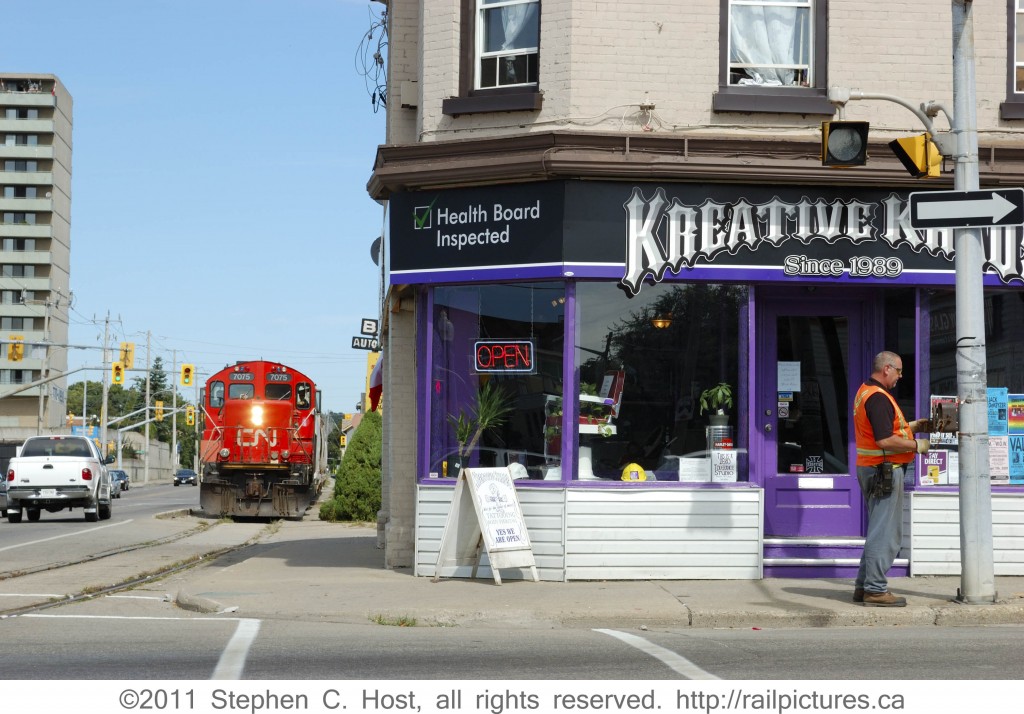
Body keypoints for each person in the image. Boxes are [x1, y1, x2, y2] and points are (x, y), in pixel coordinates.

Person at [852, 351, 931, 607]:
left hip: (873, 468)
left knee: (878, 529)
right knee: (885, 533)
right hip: (883, 470)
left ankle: (863, 586)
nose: (900, 376)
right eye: (899, 371)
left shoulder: (866, 391)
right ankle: (875, 590)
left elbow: (884, 428)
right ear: (887, 369)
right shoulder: (878, 397)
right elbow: (885, 439)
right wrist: (917, 445)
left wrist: (912, 426)